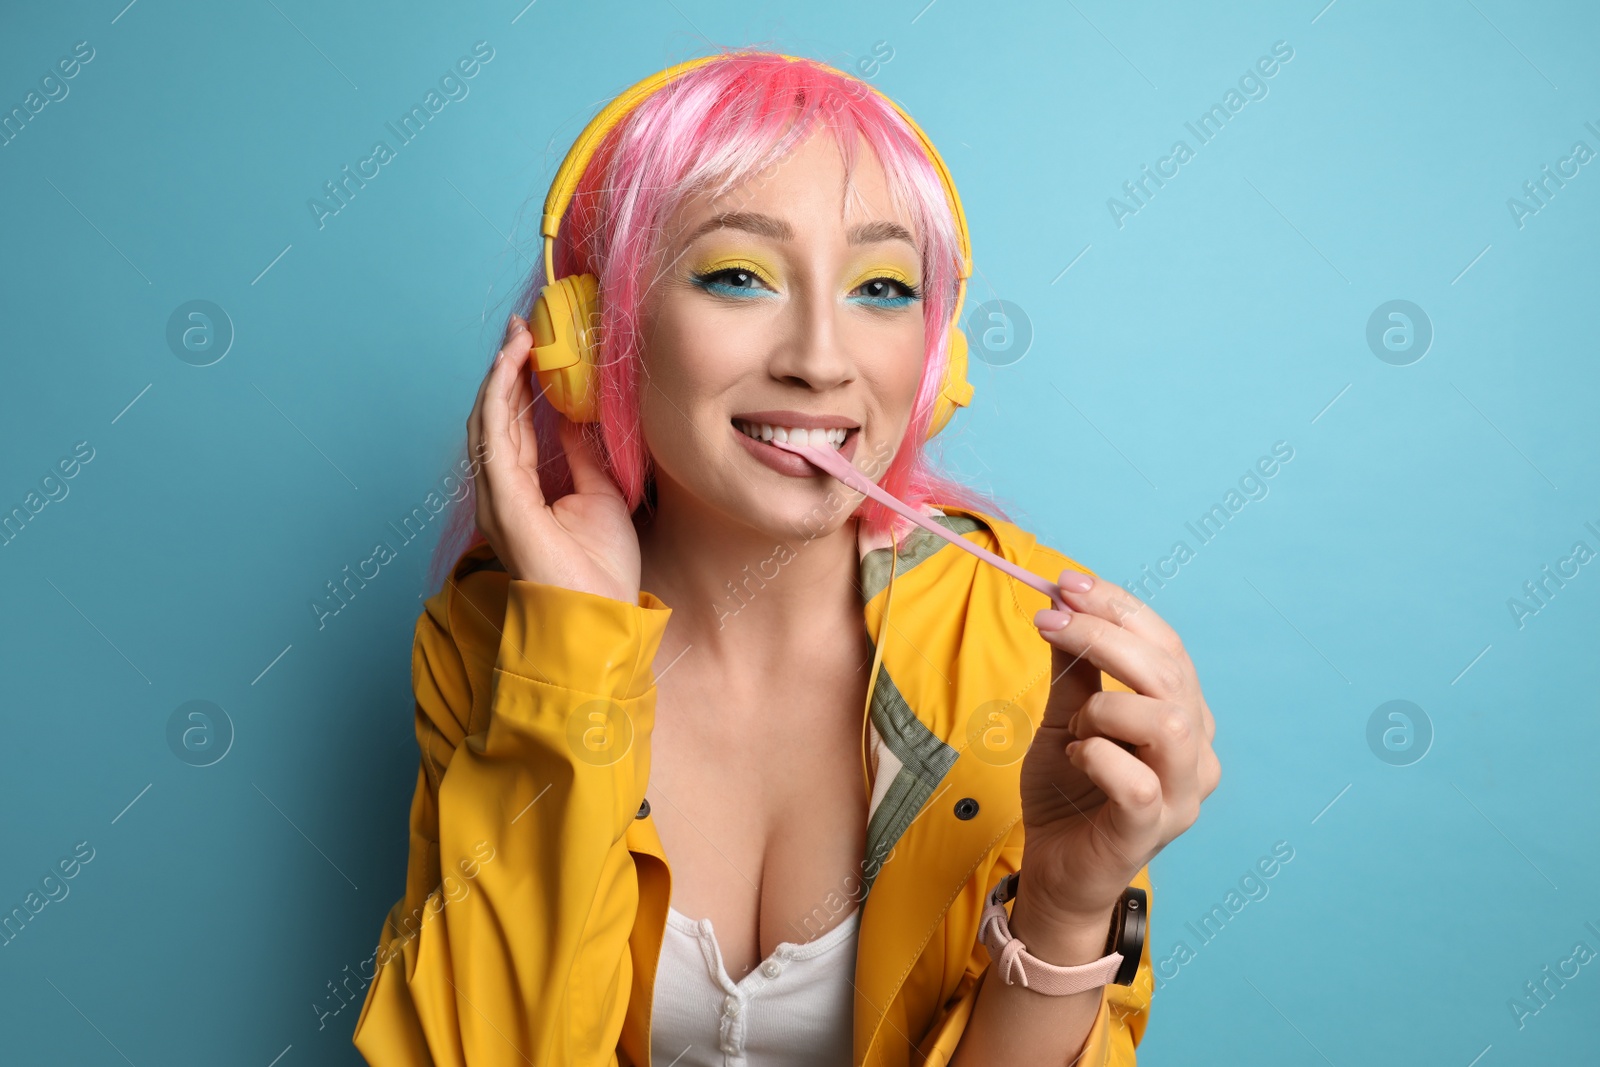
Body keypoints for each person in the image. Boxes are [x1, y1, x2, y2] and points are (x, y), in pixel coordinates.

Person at [351, 48, 1220, 1067]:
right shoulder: (499, 637)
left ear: (935, 364)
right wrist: (572, 649)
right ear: (595, 336)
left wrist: (1069, 910)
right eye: (737, 275)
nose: (819, 356)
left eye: (883, 287)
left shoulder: (1030, 654)